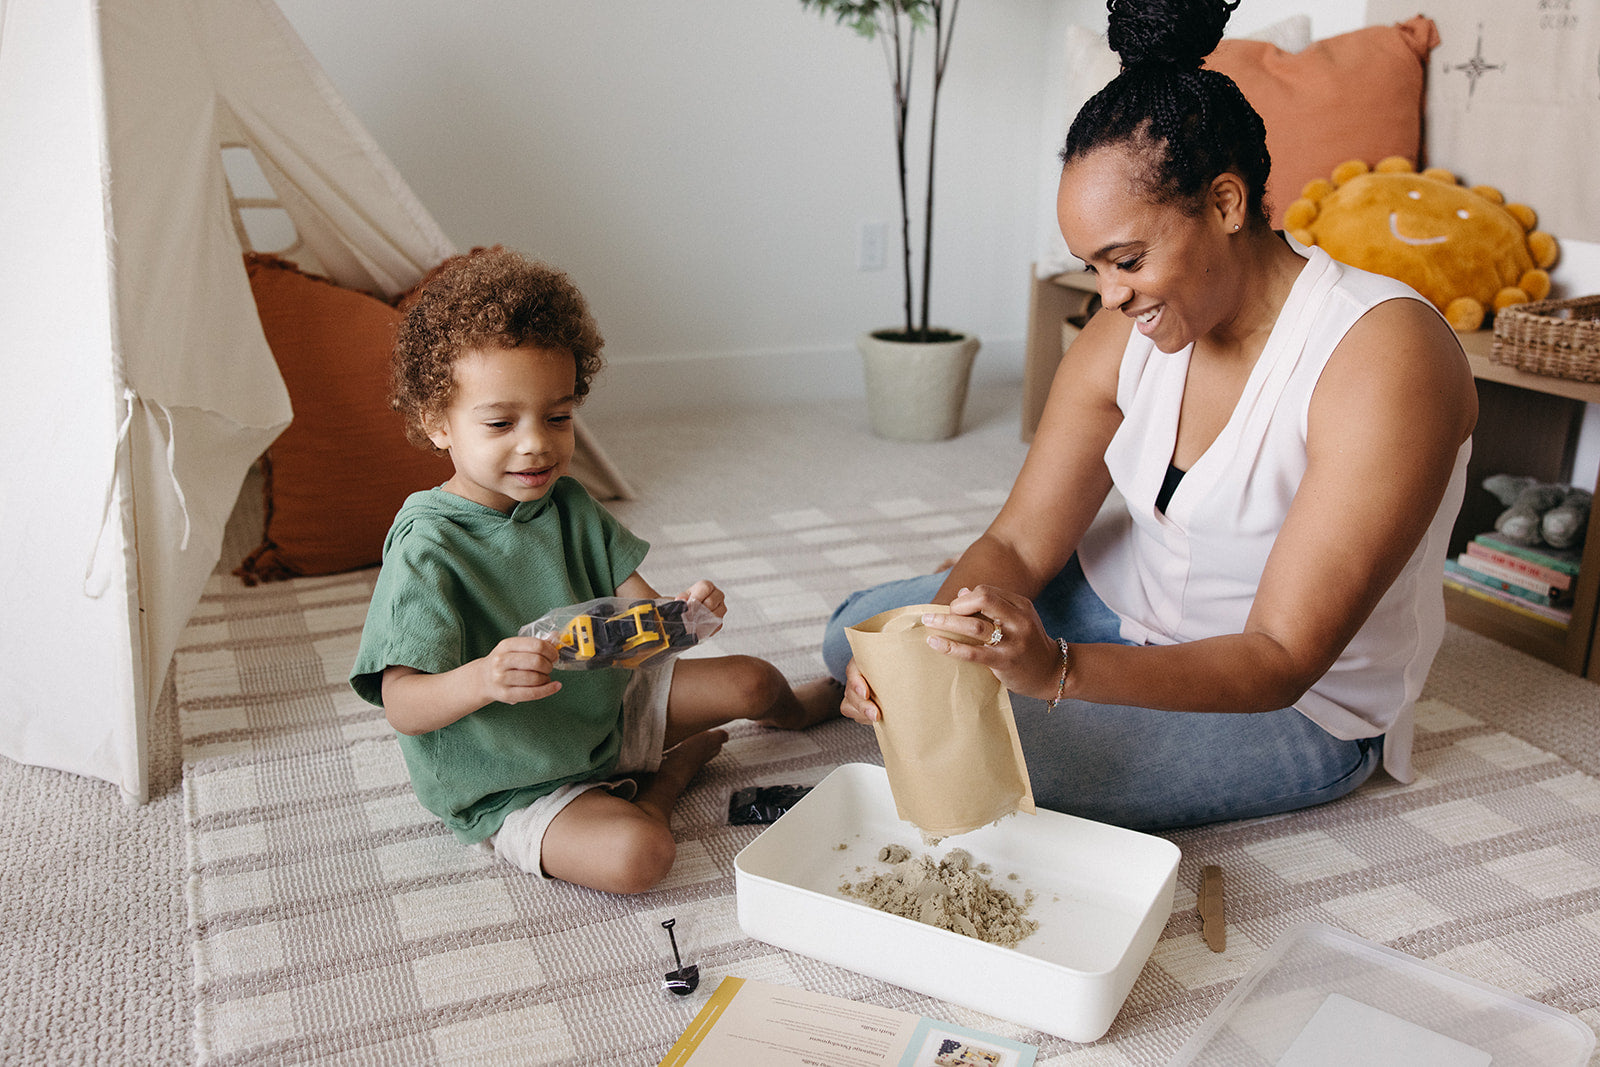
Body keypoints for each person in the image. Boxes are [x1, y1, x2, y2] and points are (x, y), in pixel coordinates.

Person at [822, 0, 1477, 831]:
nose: (1110, 295)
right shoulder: (1127, 327)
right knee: (859, 639)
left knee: (1010, 763)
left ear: (1228, 202)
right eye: (1093, 266)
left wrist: (1056, 669)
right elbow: (1020, 543)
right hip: (1122, 604)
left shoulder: (1382, 355)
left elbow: (1279, 658)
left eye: (1128, 259)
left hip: (1296, 702)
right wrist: (931, 653)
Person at [350, 248, 837, 895]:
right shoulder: (427, 548)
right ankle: (665, 780)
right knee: (639, 855)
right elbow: (402, 705)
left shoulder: (570, 502)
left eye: (558, 416)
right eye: (501, 421)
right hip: (515, 777)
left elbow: (644, 626)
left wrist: (686, 613)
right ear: (436, 422)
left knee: (752, 681)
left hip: (605, 715)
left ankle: (792, 715)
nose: (536, 442)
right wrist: (483, 677)